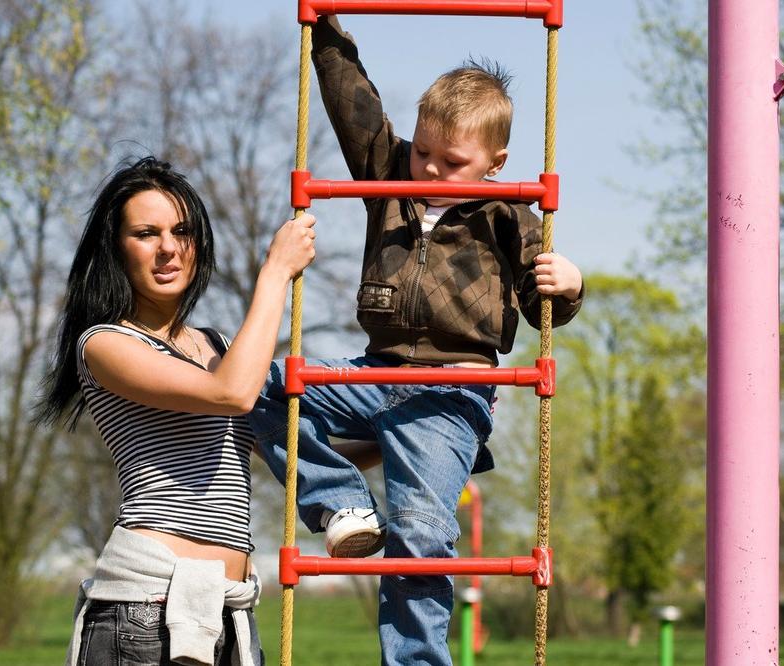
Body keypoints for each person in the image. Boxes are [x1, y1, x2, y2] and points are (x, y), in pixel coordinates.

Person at [247, 16, 585, 666]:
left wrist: (567, 286)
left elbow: (547, 305)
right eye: (424, 150)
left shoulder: (508, 214)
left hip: (453, 388)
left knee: (421, 536)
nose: (429, 167)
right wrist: (325, 31)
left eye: (452, 162)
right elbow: (353, 102)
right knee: (259, 384)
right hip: (374, 373)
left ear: (496, 164)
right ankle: (342, 502)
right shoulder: (390, 176)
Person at [36, 156, 317, 666]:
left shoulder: (217, 345)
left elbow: (293, 450)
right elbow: (232, 394)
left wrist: (410, 438)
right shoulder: (105, 344)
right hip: (145, 612)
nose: (168, 247)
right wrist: (276, 271)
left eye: (181, 230)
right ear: (116, 249)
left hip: (227, 612)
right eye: (146, 233)